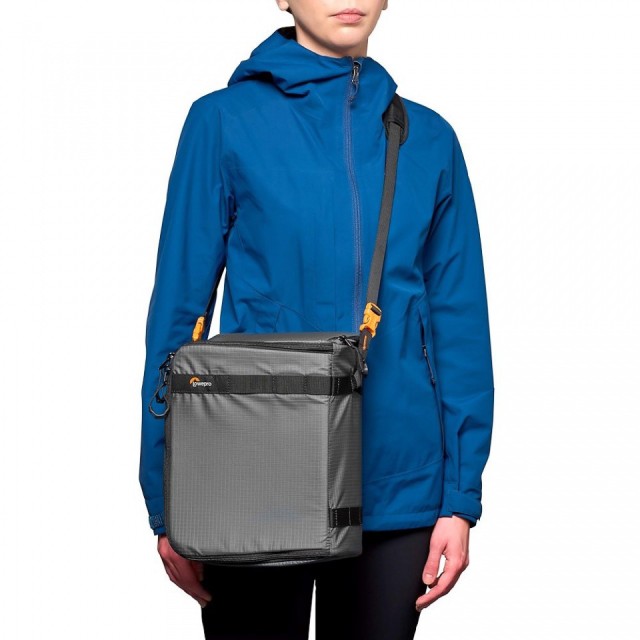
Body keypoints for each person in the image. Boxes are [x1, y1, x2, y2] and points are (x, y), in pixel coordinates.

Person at [139, 1, 495, 638]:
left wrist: (460, 497)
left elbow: (458, 326)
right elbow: (178, 316)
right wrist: (168, 498)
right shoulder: (221, 122)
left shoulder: (429, 138)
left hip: (398, 485)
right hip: (250, 474)